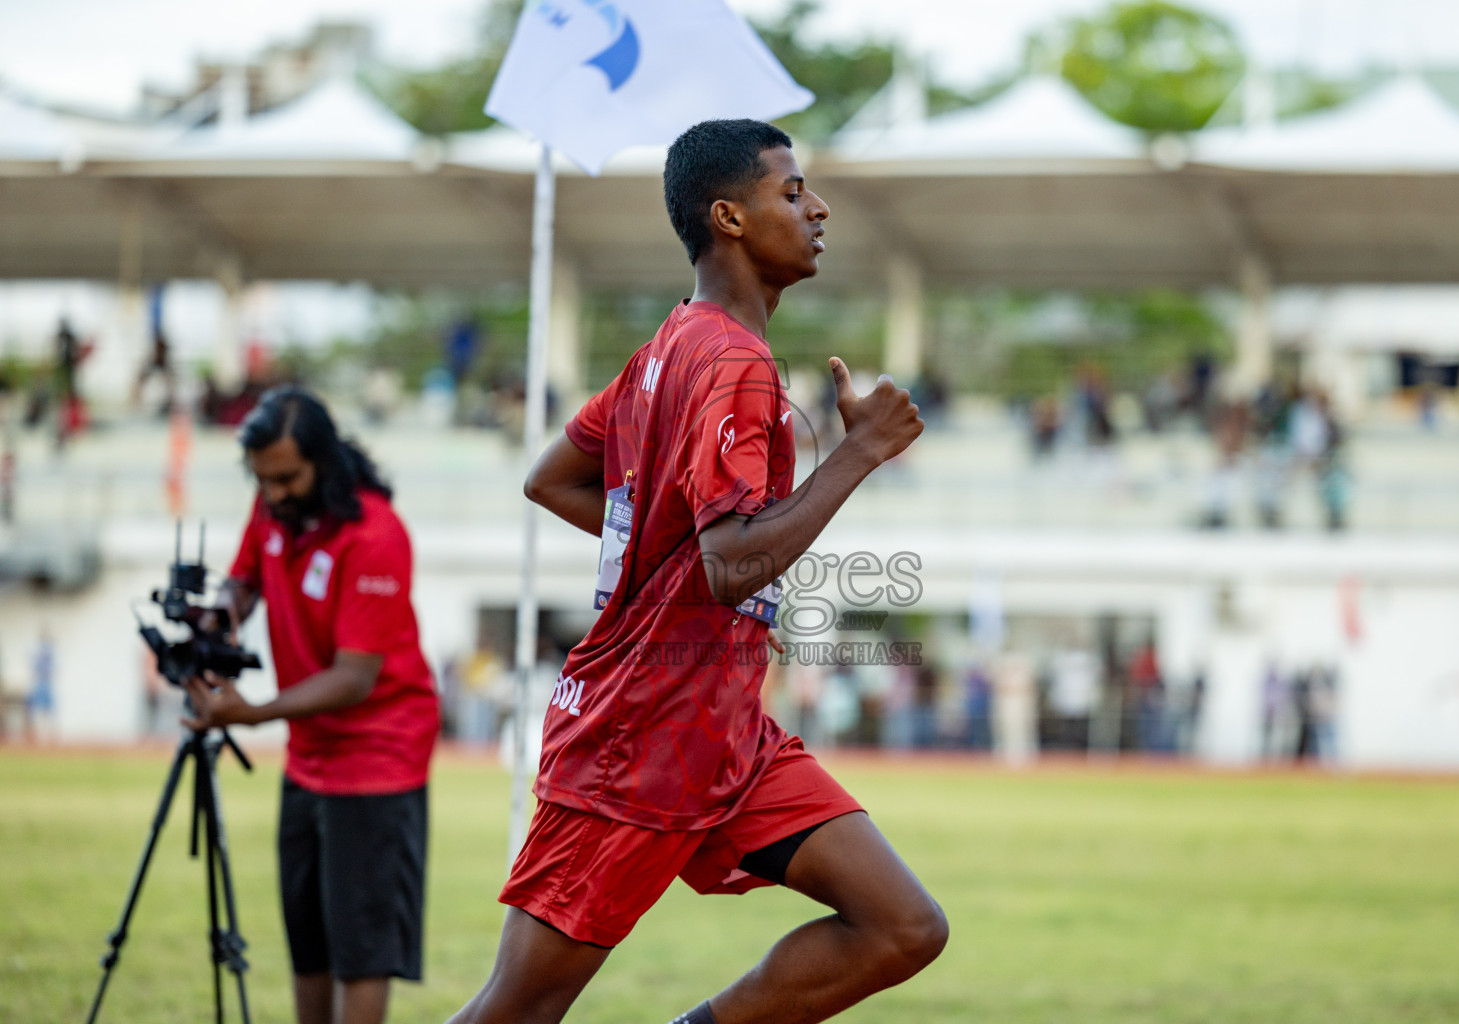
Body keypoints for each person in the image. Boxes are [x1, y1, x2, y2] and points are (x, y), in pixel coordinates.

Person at [448, 119, 945, 1024]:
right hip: (636, 742)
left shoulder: (668, 348)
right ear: (730, 218)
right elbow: (727, 566)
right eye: (792, 192)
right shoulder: (730, 364)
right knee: (514, 1011)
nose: (818, 207)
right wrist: (858, 451)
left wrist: (655, 560)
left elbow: (552, 478)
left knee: (903, 926)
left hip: (725, 736)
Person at [182, 387, 440, 1024]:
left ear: (324, 461)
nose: (273, 494)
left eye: (287, 478)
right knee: (308, 941)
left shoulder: (375, 534)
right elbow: (242, 581)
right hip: (310, 756)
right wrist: (223, 614)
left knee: (361, 950)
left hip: (379, 757)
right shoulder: (273, 509)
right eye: (262, 480)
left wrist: (254, 712)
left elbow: (355, 678)